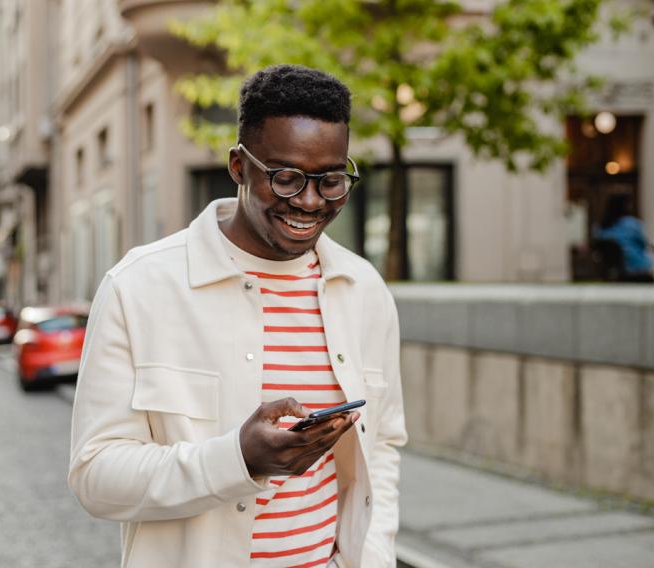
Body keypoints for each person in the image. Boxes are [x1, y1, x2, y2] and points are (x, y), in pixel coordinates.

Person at [69, 64, 407, 567]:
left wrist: (370, 558)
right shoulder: (137, 286)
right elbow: (96, 479)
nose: (310, 201)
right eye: (286, 178)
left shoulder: (364, 290)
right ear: (237, 166)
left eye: (331, 181)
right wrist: (238, 460)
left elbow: (381, 447)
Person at [595, 194, 654, 282]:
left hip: (613, 272)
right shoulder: (632, 224)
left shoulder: (602, 228)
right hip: (637, 268)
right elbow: (643, 244)